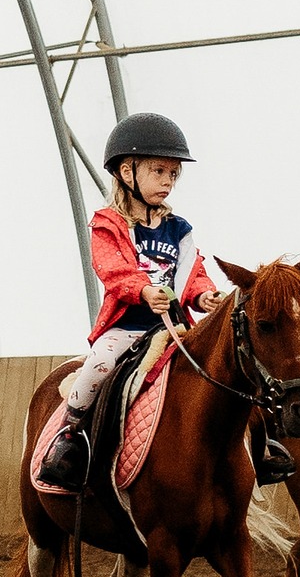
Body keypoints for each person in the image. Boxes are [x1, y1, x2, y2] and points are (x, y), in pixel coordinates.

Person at [36, 111, 213, 493]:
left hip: (173, 329)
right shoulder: (108, 224)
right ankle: (69, 436)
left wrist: (204, 294)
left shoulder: (179, 230)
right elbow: (112, 270)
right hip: (128, 327)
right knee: (99, 364)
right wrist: (144, 291)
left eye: (173, 174)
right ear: (126, 173)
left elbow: (192, 270)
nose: (167, 181)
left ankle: (260, 445)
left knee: (219, 369)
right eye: (158, 171)